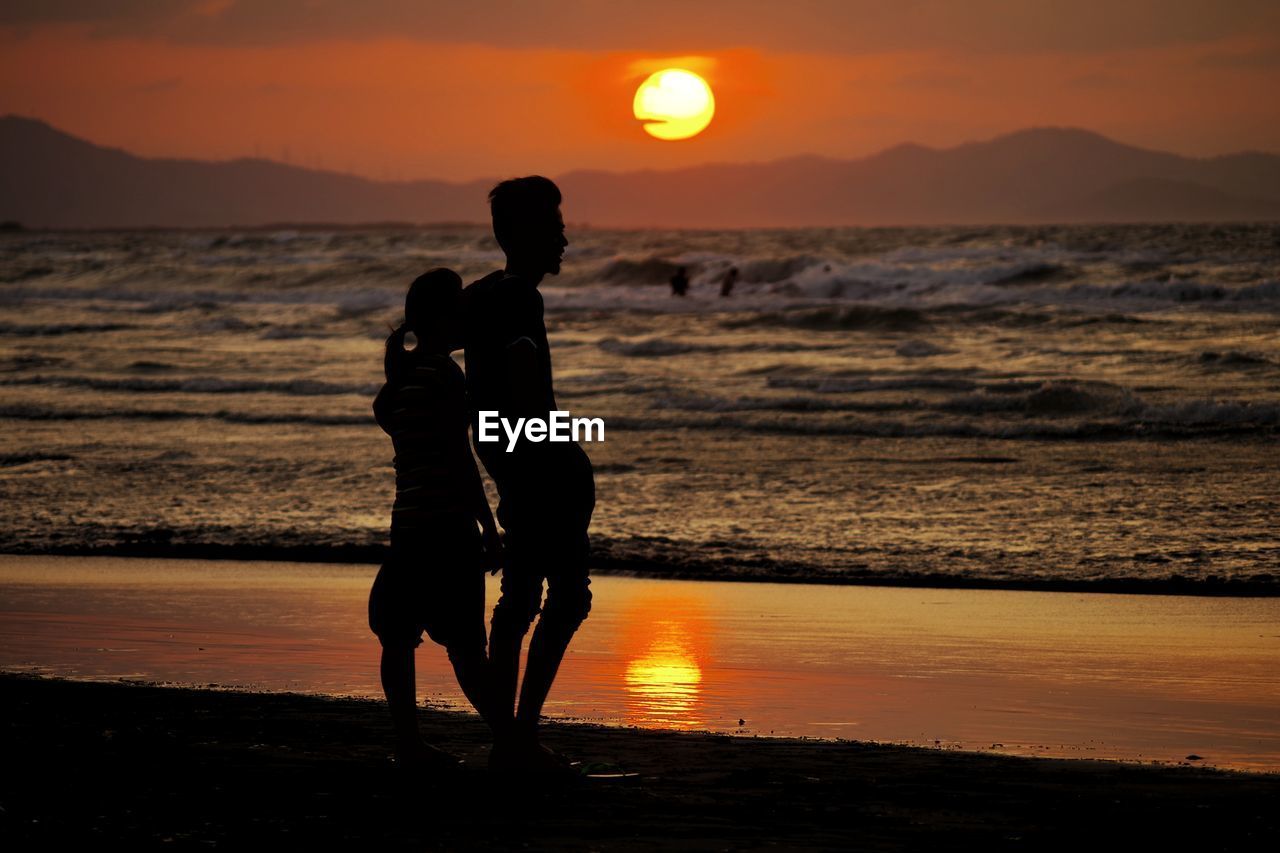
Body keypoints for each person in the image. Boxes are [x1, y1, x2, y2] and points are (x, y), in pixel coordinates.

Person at [463, 176, 596, 772]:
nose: (564, 238)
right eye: (554, 227)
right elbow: (521, 386)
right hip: (540, 465)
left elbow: (479, 403)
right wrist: (550, 445)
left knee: (520, 599)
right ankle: (519, 734)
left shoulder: (484, 292)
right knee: (564, 598)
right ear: (523, 233)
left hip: (513, 460)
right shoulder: (520, 298)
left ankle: (509, 737)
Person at [368, 268, 504, 773]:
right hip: (447, 528)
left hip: (407, 526)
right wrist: (489, 529)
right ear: (448, 319)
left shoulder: (401, 382)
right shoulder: (445, 375)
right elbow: (458, 457)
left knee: (398, 635)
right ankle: (509, 740)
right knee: (467, 646)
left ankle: (408, 744)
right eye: (463, 311)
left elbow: (385, 413)